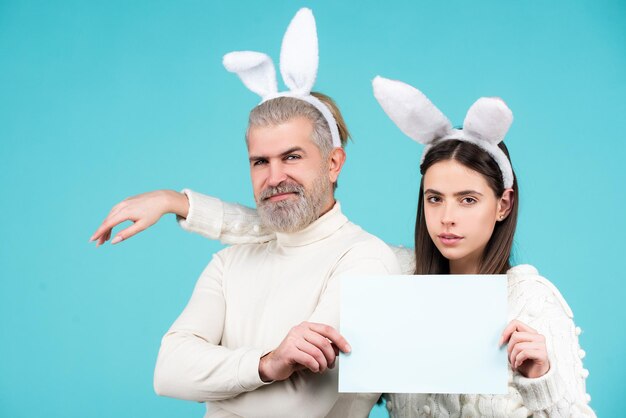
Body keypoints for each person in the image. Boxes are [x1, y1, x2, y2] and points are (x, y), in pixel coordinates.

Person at [92, 77, 595, 417]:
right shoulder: (401, 279)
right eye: (434, 198)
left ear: (502, 204)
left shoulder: (527, 299)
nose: (447, 216)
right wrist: (176, 202)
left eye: (468, 199)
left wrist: (540, 376)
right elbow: (286, 230)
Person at [92, 9, 401, 418]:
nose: (274, 178)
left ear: (333, 163)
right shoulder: (229, 263)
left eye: (292, 156)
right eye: (260, 162)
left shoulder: (366, 260)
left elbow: (298, 405)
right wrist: (268, 365)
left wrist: (215, 385)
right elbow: (167, 373)